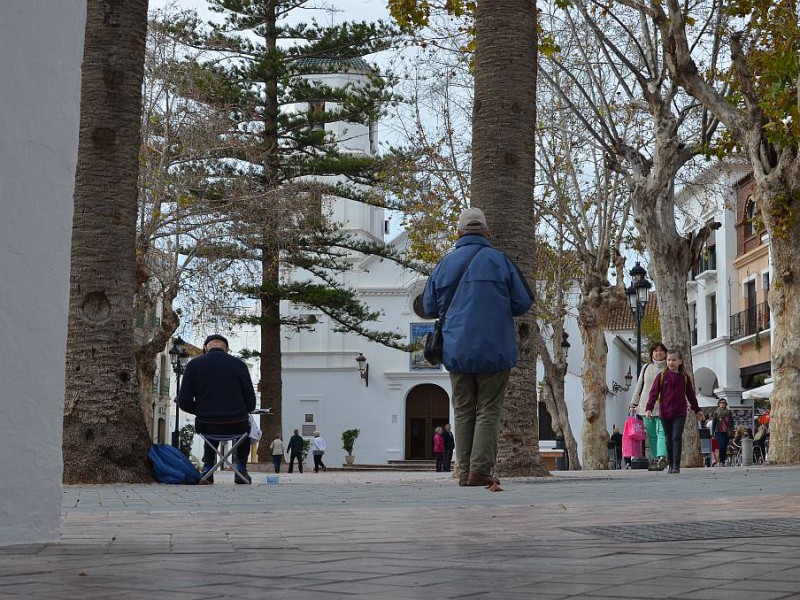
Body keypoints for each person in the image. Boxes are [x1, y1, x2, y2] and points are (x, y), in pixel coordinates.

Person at [422, 207, 534, 489]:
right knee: (488, 409)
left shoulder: (444, 264)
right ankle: (480, 471)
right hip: (494, 349)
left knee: (462, 410)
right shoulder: (500, 261)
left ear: (458, 233)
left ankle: (463, 473)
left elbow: (428, 306)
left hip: (456, 350)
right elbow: (523, 302)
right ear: (487, 232)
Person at [178, 334, 256, 484]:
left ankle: (208, 467)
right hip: (237, 424)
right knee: (247, 425)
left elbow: (184, 402)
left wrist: (201, 410)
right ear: (226, 348)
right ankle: (241, 468)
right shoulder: (239, 365)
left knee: (211, 426)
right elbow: (251, 404)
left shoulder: (194, 365)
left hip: (206, 423)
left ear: (206, 348)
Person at [646, 348, 704, 474]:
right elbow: (653, 394)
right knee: (668, 438)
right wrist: (649, 408)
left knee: (676, 437)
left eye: (673, 360)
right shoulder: (661, 376)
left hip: (680, 413)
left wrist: (697, 410)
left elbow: (691, 395)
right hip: (665, 413)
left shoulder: (684, 377)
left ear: (680, 361)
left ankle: (676, 466)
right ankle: (670, 464)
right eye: (668, 360)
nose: (671, 363)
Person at [629, 342, 669, 471]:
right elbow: (639, 386)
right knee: (651, 435)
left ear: (665, 353)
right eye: (656, 351)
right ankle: (656, 458)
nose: (658, 353)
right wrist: (633, 404)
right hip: (647, 407)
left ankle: (663, 457)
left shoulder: (670, 368)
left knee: (662, 432)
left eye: (661, 350)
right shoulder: (646, 368)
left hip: (665, 406)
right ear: (652, 353)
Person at [711, 399, 734, 467]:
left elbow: (731, 422)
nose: (722, 404)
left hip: (727, 432)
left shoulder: (728, 412)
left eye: (724, 403)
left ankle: (723, 461)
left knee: (724, 447)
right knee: (721, 446)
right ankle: (721, 461)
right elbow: (714, 424)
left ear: (725, 404)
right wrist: (712, 433)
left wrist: (732, 429)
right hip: (719, 432)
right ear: (718, 404)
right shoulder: (716, 412)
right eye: (721, 403)